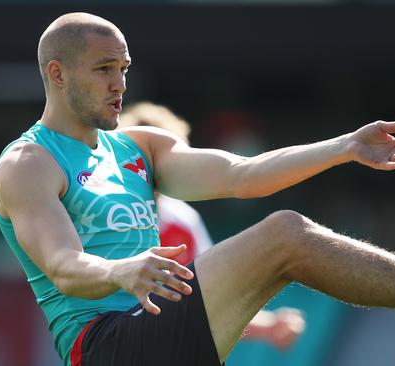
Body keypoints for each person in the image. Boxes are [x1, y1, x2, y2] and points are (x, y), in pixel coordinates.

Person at [0, 12, 395, 366]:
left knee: (284, 234)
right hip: (106, 347)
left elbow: (243, 175)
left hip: (161, 332)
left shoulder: (137, 146)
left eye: (123, 67)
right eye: (104, 69)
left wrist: (343, 148)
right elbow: (65, 266)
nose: (120, 82)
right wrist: (119, 272)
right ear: (56, 73)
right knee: (286, 237)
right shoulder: (27, 163)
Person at [119, 102, 306, 349]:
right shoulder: (97, 213)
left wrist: (269, 326)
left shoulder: (183, 221)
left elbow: (207, 300)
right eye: (145, 157)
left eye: (170, 158)